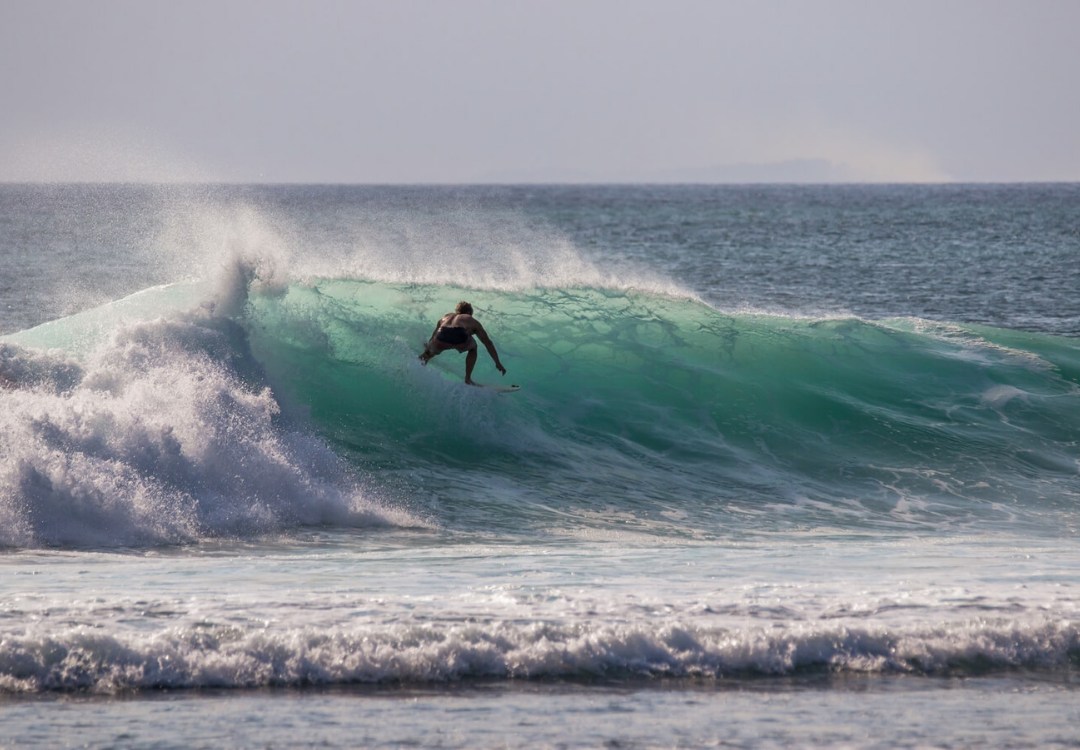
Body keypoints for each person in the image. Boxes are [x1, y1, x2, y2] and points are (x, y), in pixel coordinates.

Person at [419, 301, 506, 385]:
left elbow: (434, 335)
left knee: (429, 353)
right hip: (459, 334)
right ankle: (468, 379)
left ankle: (419, 365)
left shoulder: (446, 317)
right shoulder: (469, 319)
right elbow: (488, 343)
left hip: (441, 334)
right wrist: (497, 363)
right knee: (473, 348)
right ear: (468, 312)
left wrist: (428, 348)